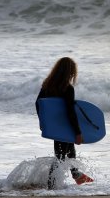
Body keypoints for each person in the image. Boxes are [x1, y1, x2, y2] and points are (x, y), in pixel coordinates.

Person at [35, 57, 93, 189]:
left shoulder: (47, 85)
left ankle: (76, 175)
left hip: (54, 125)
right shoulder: (67, 88)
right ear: (69, 72)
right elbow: (70, 112)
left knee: (67, 151)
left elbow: (38, 104)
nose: (73, 74)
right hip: (65, 124)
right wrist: (78, 132)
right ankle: (51, 186)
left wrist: (43, 122)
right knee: (61, 156)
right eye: (72, 72)